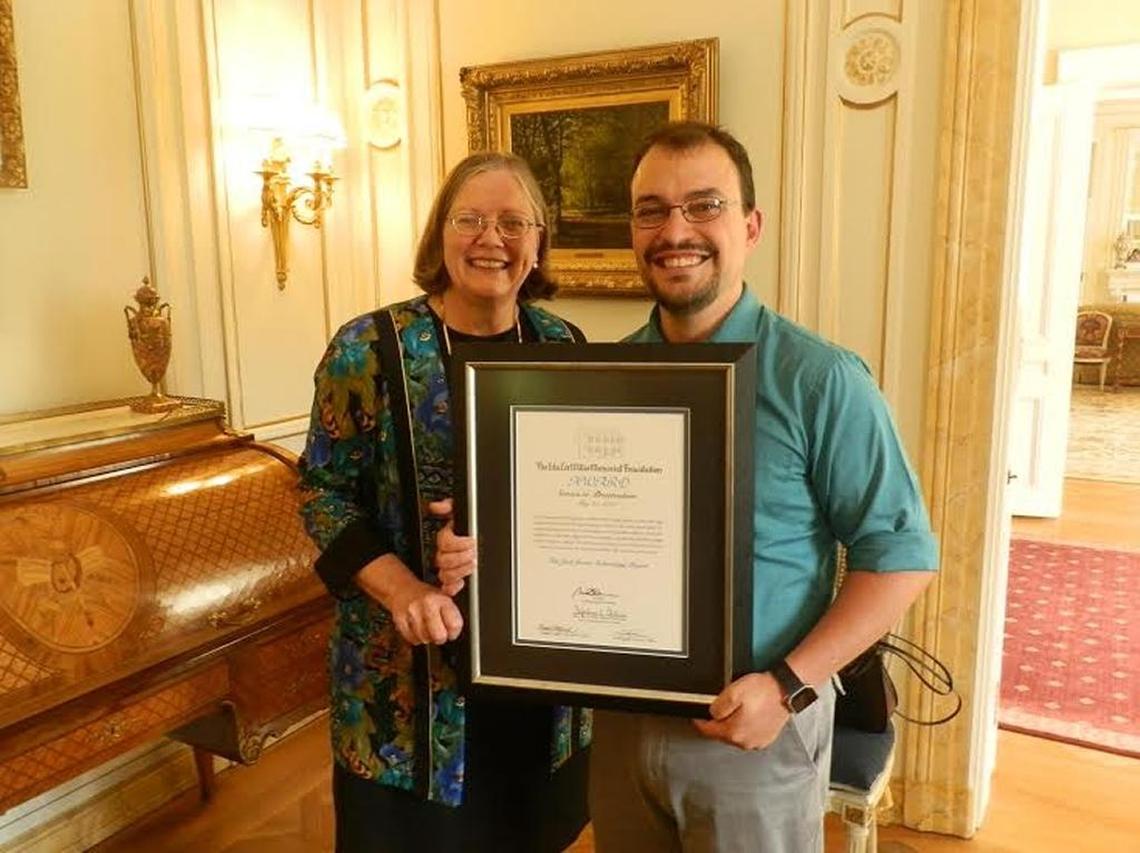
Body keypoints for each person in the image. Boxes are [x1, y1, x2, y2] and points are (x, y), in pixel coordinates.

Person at [586, 122, 939, 851]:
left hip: (758, 729)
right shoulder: (601, 380)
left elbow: (900, 557)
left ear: (750, 225)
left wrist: (787, 685)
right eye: (651, 209)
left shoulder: (822, 380)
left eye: (703, 205)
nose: (675, 229)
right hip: (619, 725)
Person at [298, 151, 591, 853]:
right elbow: (321, 492)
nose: (492, 238)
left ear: (539, 242)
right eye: (471, 219)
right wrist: (403, 586)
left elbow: (581, 495)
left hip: (536, 682)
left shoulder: (563, 344)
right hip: (402, 690)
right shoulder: (365, 348)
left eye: (514, 221)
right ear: (440, 234)